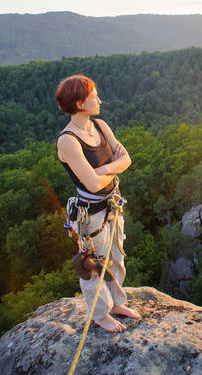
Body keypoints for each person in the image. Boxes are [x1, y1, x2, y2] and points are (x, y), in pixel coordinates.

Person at [55, 74, 140, 332]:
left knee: (116, 258)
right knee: (92, 266)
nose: (99, 100)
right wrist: (111, 171)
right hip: (91, 214)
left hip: (113, 206)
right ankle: (100, 314)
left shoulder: (101, 126)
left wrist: (102, 171)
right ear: (80, 103)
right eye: (94, 96)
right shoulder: (68, 140)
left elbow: (127, 159)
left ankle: (115, 303)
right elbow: (92, 185)